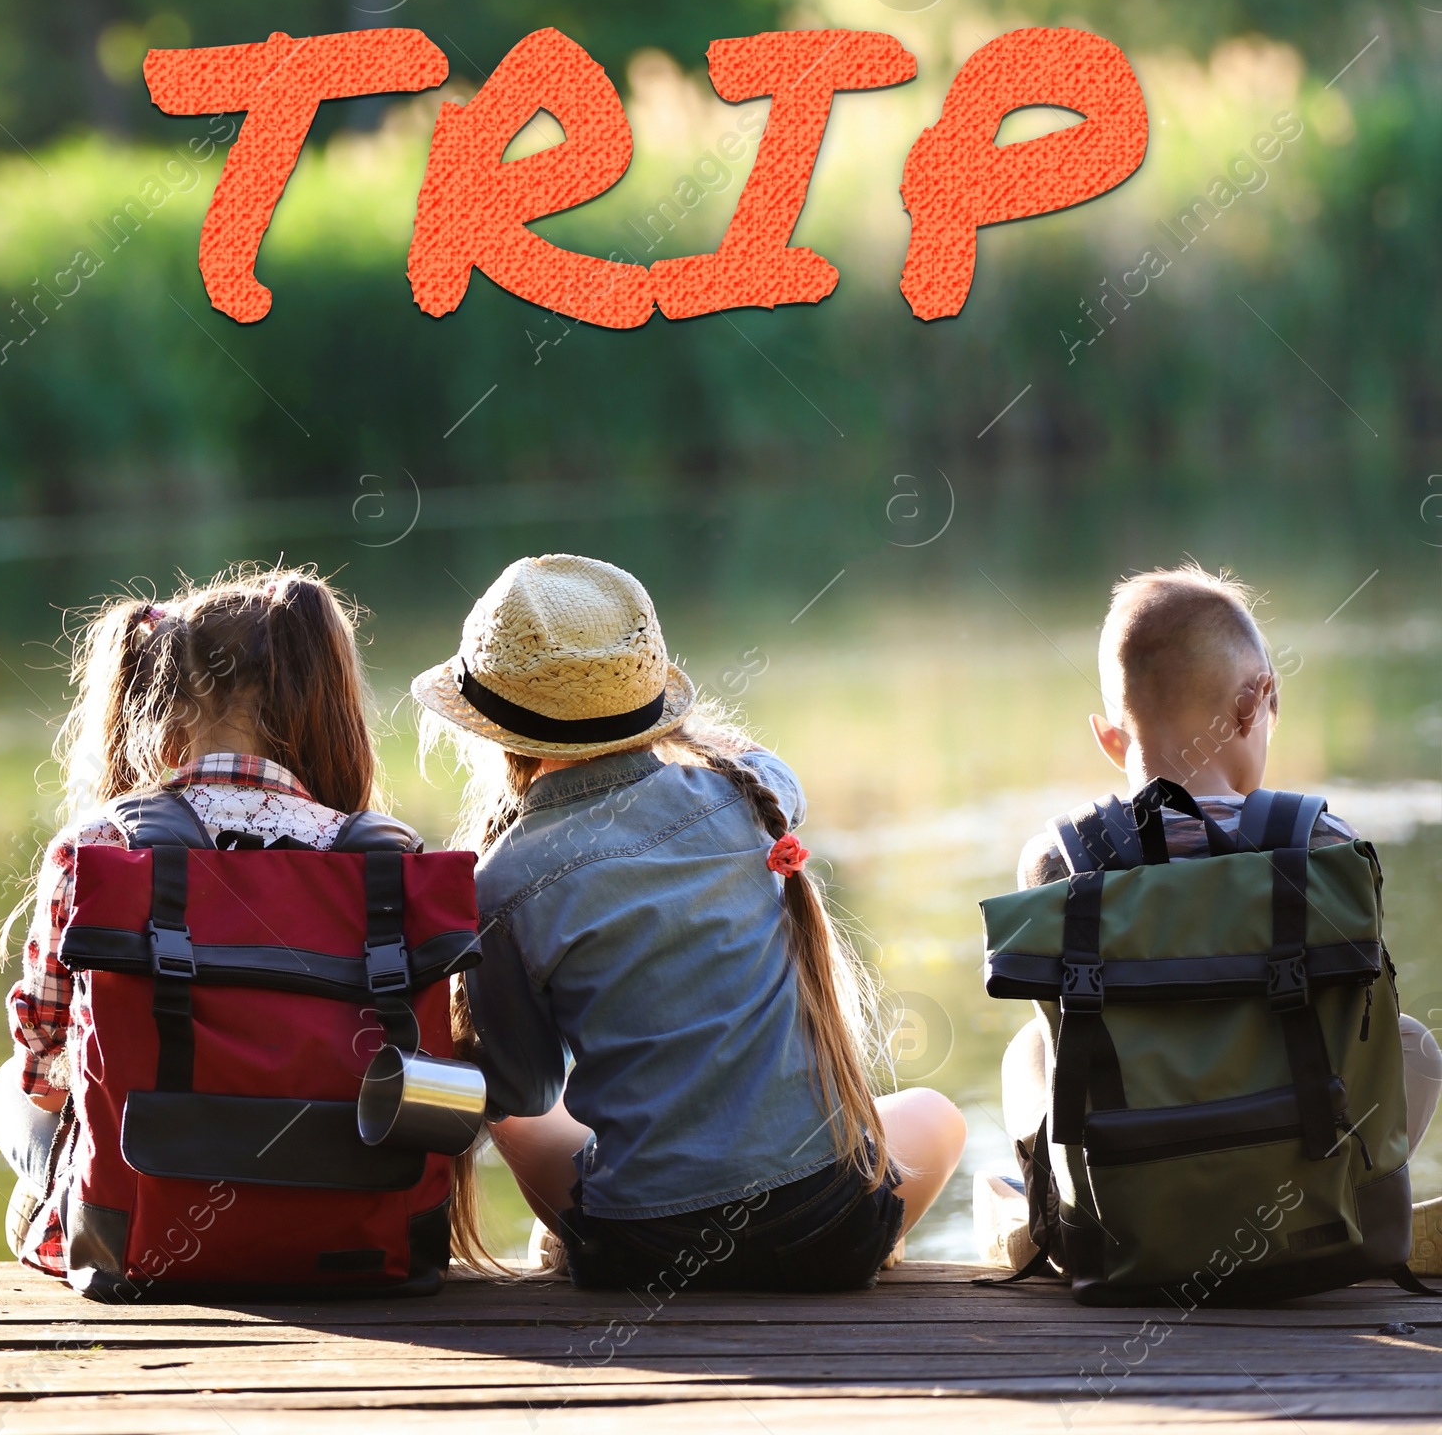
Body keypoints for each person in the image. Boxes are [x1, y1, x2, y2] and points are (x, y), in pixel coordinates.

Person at [412, 551, 965, 1292]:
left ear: (491, 731)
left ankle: (575, 1231)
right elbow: (762, 762)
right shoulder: (754, 797)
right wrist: (664, 728)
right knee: (937, 1114)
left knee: (511, 1116)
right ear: (656, 703)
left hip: (646, 1256)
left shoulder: (499, 883)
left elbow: (526, 1089)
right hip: (830, 1231)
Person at [982, 564, 1441, 1244]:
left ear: (1110, 738)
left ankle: (1063, 1217)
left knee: (1028, 1048)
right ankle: (1354, 1198)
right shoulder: (1319, 845)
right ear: (1255, 704)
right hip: (1297, 1183)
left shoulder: (1059, 863)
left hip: (1131, 1200)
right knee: (1413, 1042)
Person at [0, 565, 417, 1276]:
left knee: (7, 1092)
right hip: (358, 1228)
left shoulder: (99, 851)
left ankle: (63, 1227)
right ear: (315, 705)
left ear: (158, 717)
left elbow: (46, 1070)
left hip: (143, 1228)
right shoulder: (386, 858)